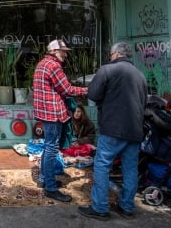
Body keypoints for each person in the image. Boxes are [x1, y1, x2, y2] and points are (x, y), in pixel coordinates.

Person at [79, 41, 147, 220]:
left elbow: (93, 94)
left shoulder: (107, 70)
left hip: (112, 128)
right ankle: (127, 206)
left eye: (111, 55)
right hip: (134, 129)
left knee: (102, 165)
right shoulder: (140, 75)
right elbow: (144, 102)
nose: (110, 58)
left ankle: (100, 207)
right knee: (130, 168)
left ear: (116, 54)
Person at [32, 39, 88, 202]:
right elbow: (68, 89)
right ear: (54, 51)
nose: (66, 54)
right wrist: (87, 90)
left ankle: (44, 179)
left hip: (44, 112)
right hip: (53, 113)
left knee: (48, 146)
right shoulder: (54, 66)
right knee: (51, 148)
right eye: (63, 51)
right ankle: (50, 187)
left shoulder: (42, 64)